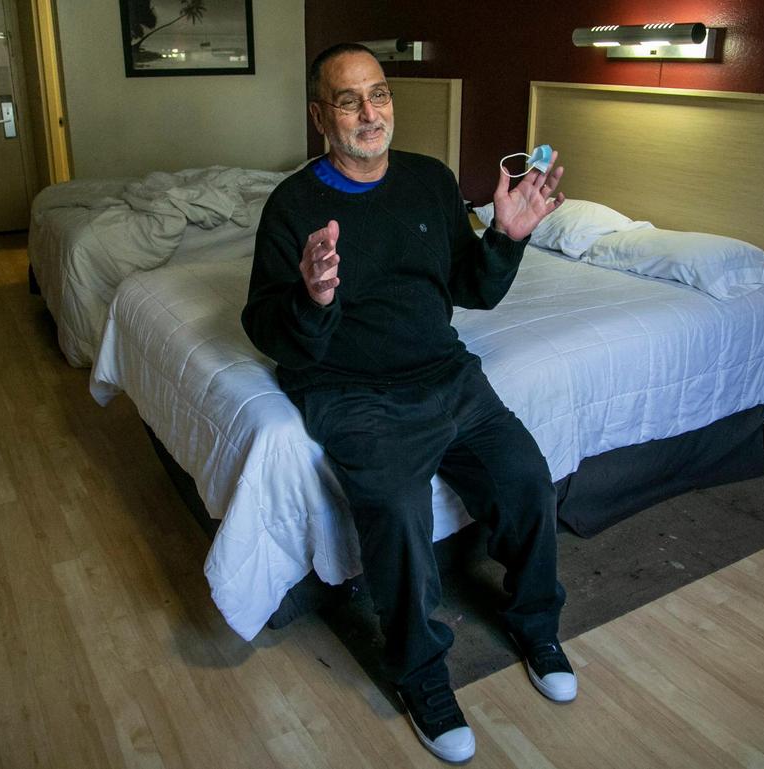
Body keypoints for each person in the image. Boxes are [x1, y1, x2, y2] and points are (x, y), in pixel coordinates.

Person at [242, 42, 576, 764]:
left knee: (526, 476)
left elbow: (471, 287)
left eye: (381, 94)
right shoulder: (294, 205)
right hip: (349, 389)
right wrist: (313, 296)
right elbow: (269, 331)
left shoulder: (429, 180)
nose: (371, 112)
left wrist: (507, 235)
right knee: (397, 511)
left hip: (446, 375)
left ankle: (536, 623)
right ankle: (422, 676)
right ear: (318, 117)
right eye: (348, 99)